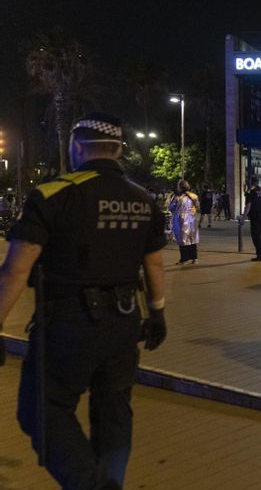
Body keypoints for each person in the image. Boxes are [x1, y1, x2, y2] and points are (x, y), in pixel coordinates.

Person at [0, 112, 167, 489]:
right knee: (113, 417)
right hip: (126, 325)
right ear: (118, 150)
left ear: (77, 148)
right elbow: (154, 262)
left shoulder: (53, 195)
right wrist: (157, 313)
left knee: (41, 412)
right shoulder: (142, 199)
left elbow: (15, 270)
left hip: (68, 326)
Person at [169, 180, 200, 264]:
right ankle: (194, 258)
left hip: (181, 219)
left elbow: (171, 208)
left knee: (182, 239)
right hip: (192, 219)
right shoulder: (194, 196)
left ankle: (184, 259)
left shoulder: (177, 197)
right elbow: (197, 207)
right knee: (192, 238)